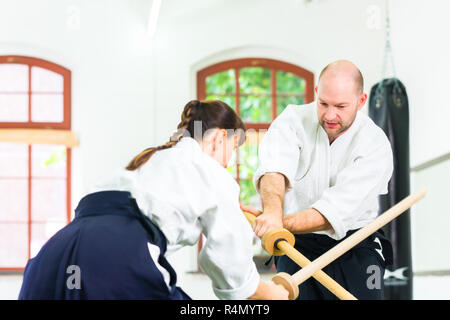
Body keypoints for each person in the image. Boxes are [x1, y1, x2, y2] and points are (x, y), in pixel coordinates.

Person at [19, 100, 288, 300]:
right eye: (233, 149)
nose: (229, 162)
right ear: (219, 138)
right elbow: (233, 272)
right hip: (115, 259)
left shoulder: (150, 161)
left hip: (53, 257)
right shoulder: (211, 171)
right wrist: (273, 294)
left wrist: (225, 212)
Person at [244, 60, 394, 300]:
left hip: (357, 244)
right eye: (323, 103)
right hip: (299, 244)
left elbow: (333, 212)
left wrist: (278, 222)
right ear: (316, 93)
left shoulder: (375, 145)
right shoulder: (292, 120)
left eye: (341, 106)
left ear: (361, 101)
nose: (330, 114)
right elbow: (274, 170)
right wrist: (271, 212)